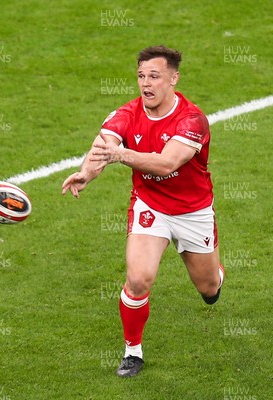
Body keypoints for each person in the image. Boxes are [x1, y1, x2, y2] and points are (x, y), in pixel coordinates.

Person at [61, 45, 224, 377]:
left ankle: (213, 273)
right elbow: (102, 147)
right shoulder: (125, 114)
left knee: (209, 289)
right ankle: (132, 352)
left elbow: (166, 163)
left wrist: (122, 155)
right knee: (137, 280)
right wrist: (86, 174)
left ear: (173, 79)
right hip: (151, 206)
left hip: (194, 212)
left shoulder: (192, 119)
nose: (146, 84)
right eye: (140, 76)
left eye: (154, 76)